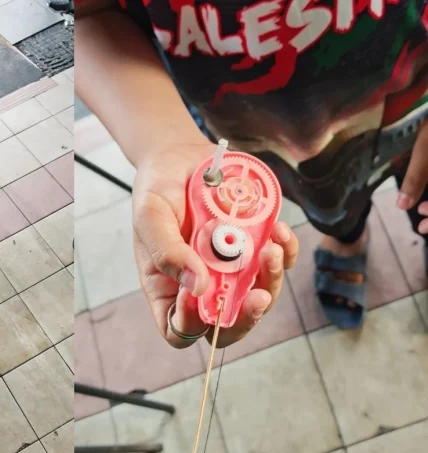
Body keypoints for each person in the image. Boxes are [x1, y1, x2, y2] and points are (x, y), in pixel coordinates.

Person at [76, 0, 428, 347]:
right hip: (266, 133)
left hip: (416, 93)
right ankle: (345, 236)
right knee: (331, 201)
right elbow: (90, 13)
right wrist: (164, 142)